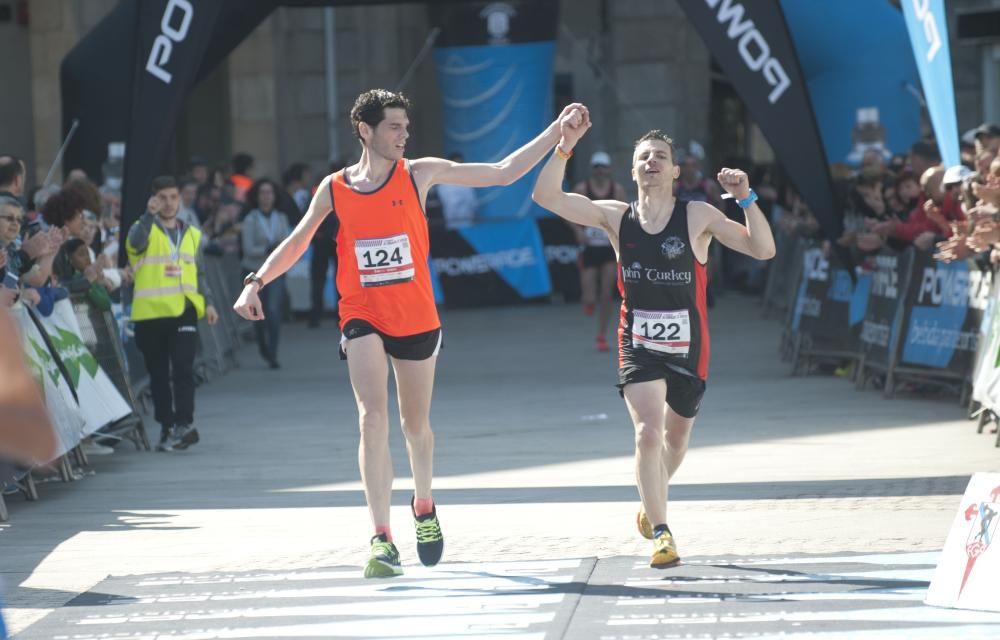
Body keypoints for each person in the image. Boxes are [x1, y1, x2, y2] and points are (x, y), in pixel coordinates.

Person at [234, 88, 588, 578]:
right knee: (371, 418)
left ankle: (423, 505)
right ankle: (381, 539)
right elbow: (298, 241)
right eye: (394, 127)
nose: (404, 135)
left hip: (416, 316)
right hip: (361, 313)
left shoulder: (420, 172)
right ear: (366, 130)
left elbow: (503, 171)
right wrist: (256, 281)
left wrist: (557, 133)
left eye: (406, 126)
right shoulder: (334, 188)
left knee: (414, 426)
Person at [532, 112, 776, 569]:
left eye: (661, 156)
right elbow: (546, 196)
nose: (652, 162)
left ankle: (652, 500)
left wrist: (747, 199)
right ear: (632, 170)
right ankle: (662, 533)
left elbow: (763, 249)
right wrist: (565, 146)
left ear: (676, 170)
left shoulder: (697, 214)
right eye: (643, 156)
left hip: (689, 348)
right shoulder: (614, 218)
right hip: (638, 342)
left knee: (676, 440)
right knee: (647, 432)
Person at [126, 176, 219, 452]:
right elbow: (135, 243)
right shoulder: (141, 227)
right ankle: (167, 426)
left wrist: (209, 302)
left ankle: (184, 424)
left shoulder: (191, 232)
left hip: (184, 310)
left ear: (179, 199)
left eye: (173, 197)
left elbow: (199, 272)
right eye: (162, 198)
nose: (168, 203)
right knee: (158, 375)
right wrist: (147, 214)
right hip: (151, 314)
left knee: (183, 368)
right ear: (154, 199)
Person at [573, 151, 627, 351]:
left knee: (606, 293)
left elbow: (624, 215)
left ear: (609, 169)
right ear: (592, 169)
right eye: (596, 166)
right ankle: (588, 302)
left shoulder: (617, 190)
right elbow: (567, 212)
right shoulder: (582, 189)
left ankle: (601, 335)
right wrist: (578, 231)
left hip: (608, 247)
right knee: (589, 296)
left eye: (603, 166)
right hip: (589, 246)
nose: (600, 170)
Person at [241, 179, 292, 369]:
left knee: (272, 310)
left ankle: (273, 352)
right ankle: (262, 345)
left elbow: (287, 243)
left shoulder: (281, 218)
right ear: (256, 196)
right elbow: (248, 248)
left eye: (269, 192)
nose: (266, 196)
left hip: (274, 272)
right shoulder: (250, 219)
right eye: (262, 193)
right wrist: (267, 248)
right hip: (253, 272)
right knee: (257, 313)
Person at [436, 152, 478, 230]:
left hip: (467, 225)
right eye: (456, 164)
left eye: (461, 164)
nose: (459, 167)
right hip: (450, 226)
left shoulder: (468, 182)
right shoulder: (442, 185)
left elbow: (472, 203)